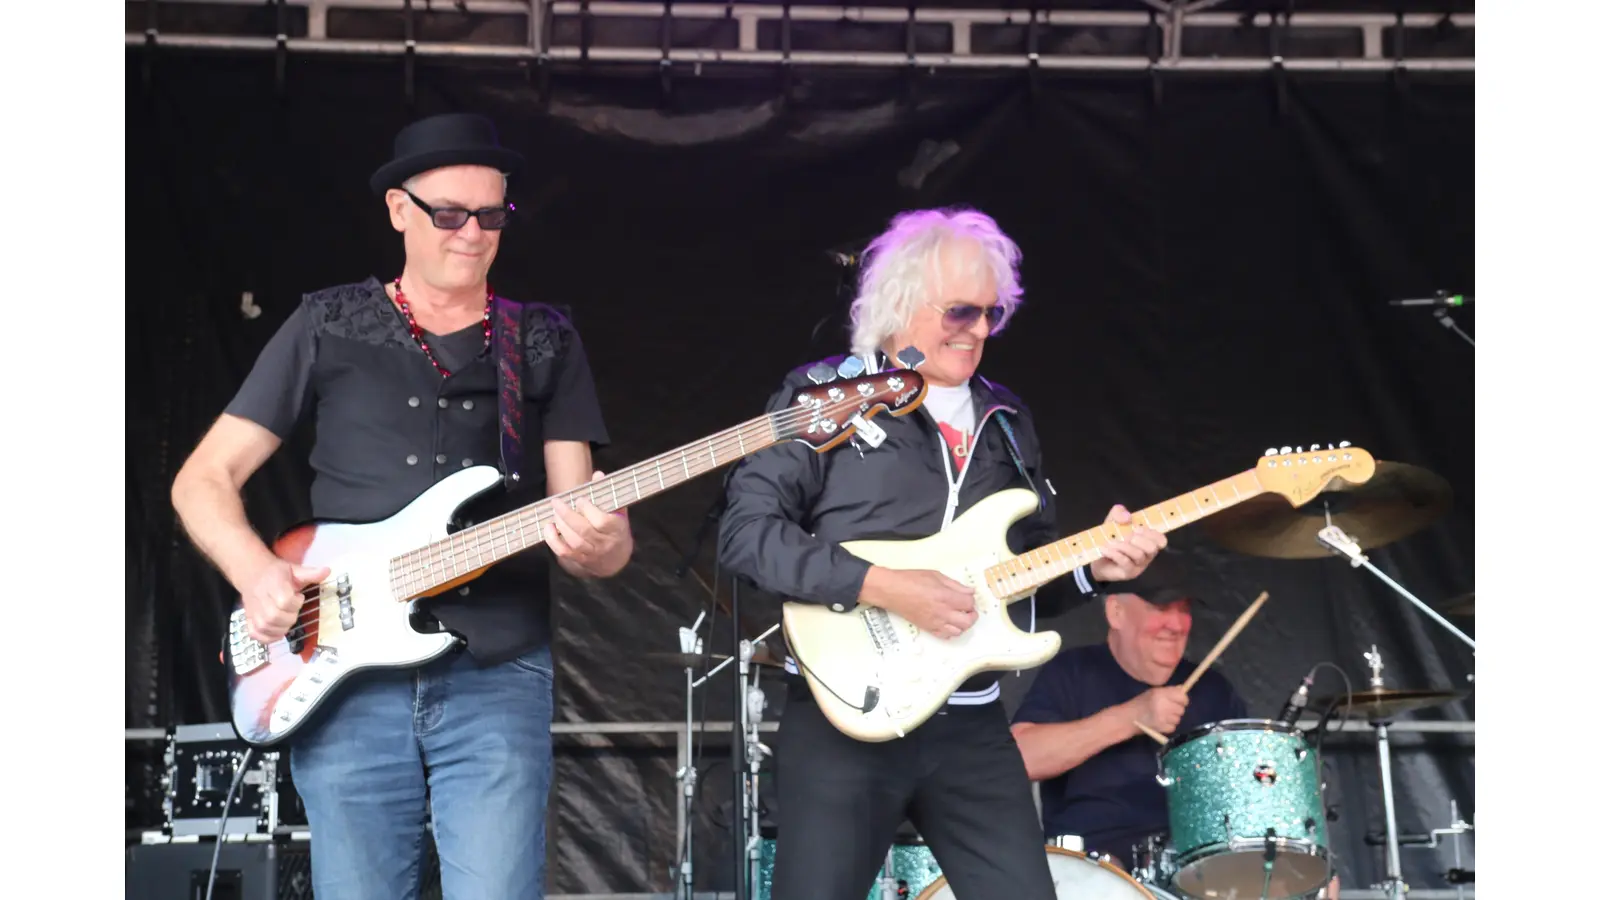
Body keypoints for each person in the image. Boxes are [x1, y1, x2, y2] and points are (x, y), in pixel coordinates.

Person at [170, 113, 633, 900]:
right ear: (397, 209)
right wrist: (256, 573)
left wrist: (599, 545)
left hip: (496, 670)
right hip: (344, 676)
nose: (472, 233)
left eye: (491, 215)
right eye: (449, 214)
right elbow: (203, 478)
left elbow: (589, 520)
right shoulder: (327, 323)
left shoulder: (544, 340)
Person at [717, 207, 1167, 900]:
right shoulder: (826, 396)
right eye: (961, 311)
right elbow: (746, 535)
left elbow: (1015, 584)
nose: (981, 329)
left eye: (994, 313)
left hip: (972, 726)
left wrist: (1091, 570)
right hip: (845, 718)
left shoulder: (1007, 421)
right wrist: (881, 584)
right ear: (900, 299)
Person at [1010, 556, 1341, 899]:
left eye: (1183, 609)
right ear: (1116, 613)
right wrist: (1130, 716)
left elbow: (1251, 802)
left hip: (1200, 872)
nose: (1176, 624)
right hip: (1095, 870)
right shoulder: (1072, 673)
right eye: (1161, 608)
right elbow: (1019, 760)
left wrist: (1297, 862)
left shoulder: (1213, 689)